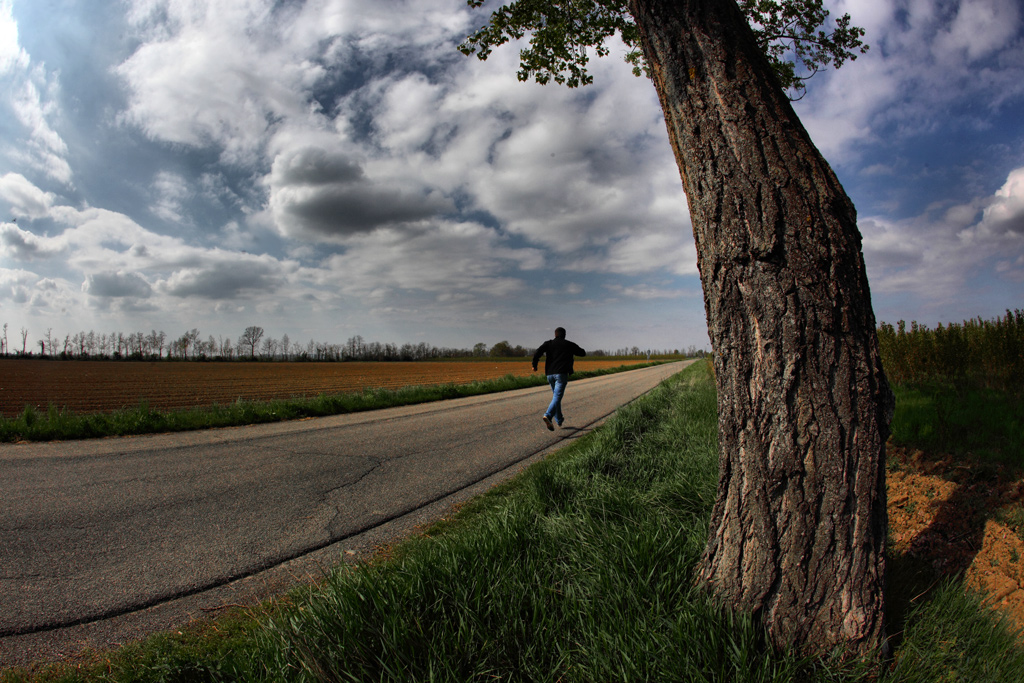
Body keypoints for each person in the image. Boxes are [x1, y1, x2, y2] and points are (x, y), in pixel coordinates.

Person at [531, 327, 586, 430]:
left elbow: (537, 352)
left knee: (556, 398)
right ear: (564, 335)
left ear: (555, 334)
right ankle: (548, 415)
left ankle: (559, 420)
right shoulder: (568, 344)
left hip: (549, 374)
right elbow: (582, 353)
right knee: (557, 397)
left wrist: (535, 365)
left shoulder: (548, 343)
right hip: (561, 374)